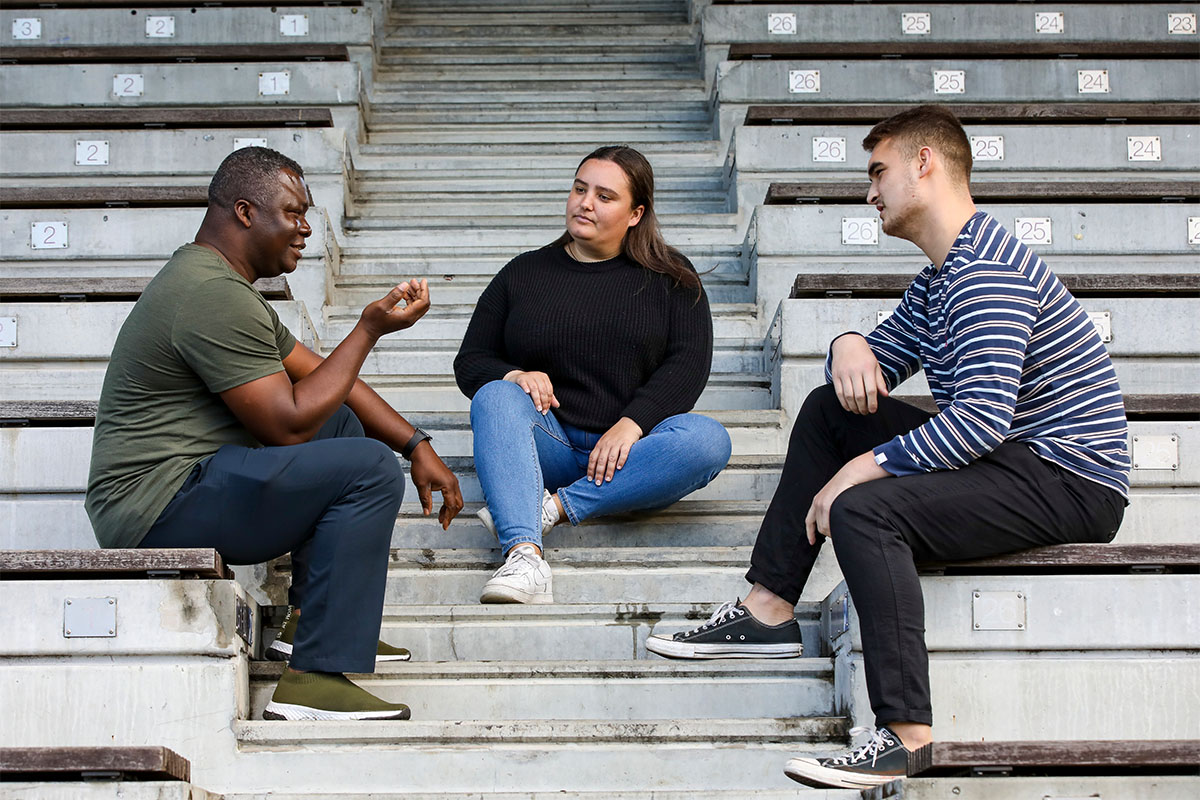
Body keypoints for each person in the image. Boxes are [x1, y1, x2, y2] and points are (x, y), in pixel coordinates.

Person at [645, 105, 1130, 789]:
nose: (869, 192)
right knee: (827, 413)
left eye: (879, 171)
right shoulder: (942, 276)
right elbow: (870, 367)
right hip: (1014, 460)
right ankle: (768, 608)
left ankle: (905, 736)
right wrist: (846, 344)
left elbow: (982, 422)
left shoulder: (986, 271)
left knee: (866, 511)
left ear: (925, 164)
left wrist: (858, 473)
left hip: (1066, 476)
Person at [85, 147, 463, 721]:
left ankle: (308, 624)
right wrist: (368, 329)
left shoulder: (220, 285)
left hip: (183, 485)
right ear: (244, 212)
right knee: (366, 469)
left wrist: (416, 443)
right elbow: (286, 425)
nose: (307, 227)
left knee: (338, 423)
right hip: (154, 506)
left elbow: (320, 377)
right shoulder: (208, 295)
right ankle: (313, 678)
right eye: (292, 212)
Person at [453, 145, 732, 604]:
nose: (585, 203)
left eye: (605, 196)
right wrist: (514, 374)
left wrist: (632, 423)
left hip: (635, 458)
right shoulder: (524, 273)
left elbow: (687, 368)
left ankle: (553, 508)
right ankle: (524, 556)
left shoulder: (672, 279)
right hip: (552, 446)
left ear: (635, 213)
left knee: (708, 440)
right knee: (493, 397)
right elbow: (471, 361)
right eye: (580, 189)